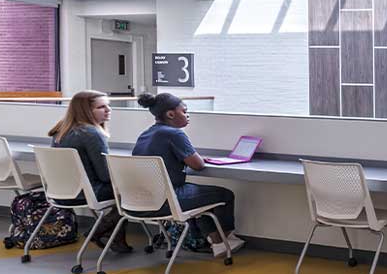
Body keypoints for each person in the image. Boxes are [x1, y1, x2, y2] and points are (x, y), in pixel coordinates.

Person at [133, 93, 243, 255]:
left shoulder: (146, 134)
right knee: (224, 195)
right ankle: (221, 242)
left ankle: (214, 240)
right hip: (165, 199)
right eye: (184, 111)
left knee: (205, 196)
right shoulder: (174, 133)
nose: (188, 115)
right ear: (171, 114)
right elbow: (198, 165)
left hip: (139, 199)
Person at [47, 90, 130, 253]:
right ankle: (98, 231)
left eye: (108, 106)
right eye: (101, 107)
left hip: (61, 191)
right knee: (131, 191)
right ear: (86, 111)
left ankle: (118, 242)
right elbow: (105, 176)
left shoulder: (61, 130)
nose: (108, 110)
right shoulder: (92, 134)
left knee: (123, 189)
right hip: (86, 192)